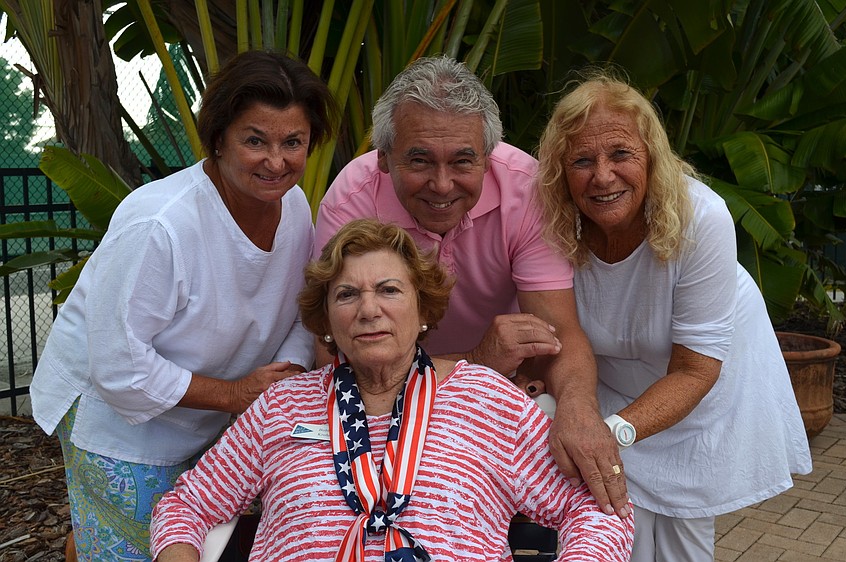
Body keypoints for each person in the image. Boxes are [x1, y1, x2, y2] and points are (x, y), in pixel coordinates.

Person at [149, 218, 634, 561]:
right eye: (346, 295)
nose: (368, 309)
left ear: (424, 311)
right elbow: (187, 505)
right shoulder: (283, 404)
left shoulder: (486, 401)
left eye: (389, 290)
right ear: (327, 324)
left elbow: (596, 508)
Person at [28, 50, 338, 561]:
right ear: (218, 139)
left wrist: (284, 377)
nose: (276, 161)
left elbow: (301, 308)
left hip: (218, 415)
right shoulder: (160, 224)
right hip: (120, 426)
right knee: (136, 550)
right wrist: (238, 393)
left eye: (293, 142)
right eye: (255, 140)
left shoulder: (296, 206)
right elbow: (120, 368)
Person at [314, 55, 629, 517]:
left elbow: (558, 331)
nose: (442, 185)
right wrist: (476, 369)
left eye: (463, 161)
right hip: (377, 387)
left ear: (489, 154)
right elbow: (335, 356)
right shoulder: (350, 201)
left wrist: (579, 411)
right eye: (419, 160)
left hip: (499, 382)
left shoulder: (528, 190)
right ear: (383, 158)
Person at [535, 69, 812, 562]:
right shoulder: (554, 224)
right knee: (620, 531)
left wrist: (612, 430)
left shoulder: (700, 218)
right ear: (560, 171)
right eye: (582, 160)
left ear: (652, 159)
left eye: (620, 154)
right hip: (616, 386)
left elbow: (695, 370)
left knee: (684, 537)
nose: (602, 176)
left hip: (702, 386)